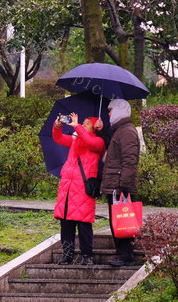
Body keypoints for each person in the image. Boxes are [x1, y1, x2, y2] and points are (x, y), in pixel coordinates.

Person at [52, 112, 105, 266]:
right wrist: (58, 125)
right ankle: (67, 255)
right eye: (83, 122)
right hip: (68, 188)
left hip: (83, 188)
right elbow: (59, 138)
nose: (83, 125)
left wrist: (77, 127)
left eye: (87, 123)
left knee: (84, 224)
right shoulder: (76, 140)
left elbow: (90, 142)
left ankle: (87, 255)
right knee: (66, 223)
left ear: (94, 128)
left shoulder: (98, 142)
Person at [100, 98, 141, 267]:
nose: (108, 113)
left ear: (119, 110)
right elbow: (113, 151)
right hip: (116, 184)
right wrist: (102, 132)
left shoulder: (127, 132)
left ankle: (125, 255)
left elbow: (129, 160)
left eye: (110, 110)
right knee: (117, 220)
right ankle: (122, 254)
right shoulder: (120, 131)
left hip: (119, 186)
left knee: (122, 221)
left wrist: (124, 185)